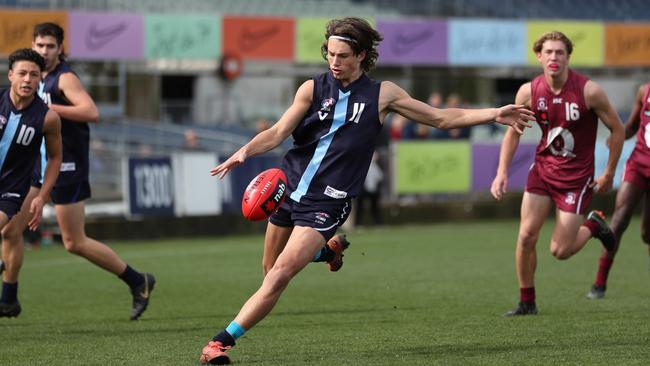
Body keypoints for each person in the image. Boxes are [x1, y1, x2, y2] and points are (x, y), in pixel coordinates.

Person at [200, 17, 534, 364]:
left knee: (282, 273)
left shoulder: (382, 94)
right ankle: (326, 253)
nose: (334, 61)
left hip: (328, 201)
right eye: (330, 54)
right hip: (290, 185)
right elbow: (278, 131)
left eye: (342, 55)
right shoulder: (311, 89)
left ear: (361, 55)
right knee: (269, 269)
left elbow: (441, 119)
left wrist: (494, 112)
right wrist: (245, 151)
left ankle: (219, 343)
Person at [0, 22, 155, 320]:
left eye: (50, 46)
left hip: (66, 164)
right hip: (35, 165)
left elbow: (91, 111)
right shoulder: (33, 77)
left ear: (61, 49)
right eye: (40, 45)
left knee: (73, 242)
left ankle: (138, 280)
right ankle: (9, 298)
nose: (44, 51)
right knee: (10, 230)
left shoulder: (64, 78)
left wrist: (50, 112)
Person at [490, 31, 625, 316]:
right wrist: (501, 172)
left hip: (576, 179)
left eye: (560, 52)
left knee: (560, 251)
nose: (554, 57)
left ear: (568, 58)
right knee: (526, 236)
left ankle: (594, 225)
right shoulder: (528, 92)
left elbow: (618, 129)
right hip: (542, 171)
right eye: (548, 52)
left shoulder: (589, 92)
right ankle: (527, 301)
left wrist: (610, 172)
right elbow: (513, 133)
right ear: (539, 56)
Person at [0, 48, 62, 317]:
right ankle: (10, 297)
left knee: (8, 233)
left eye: (34, 75)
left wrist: (41, 196)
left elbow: (56, 158)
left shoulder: (47, 117)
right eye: (22, 73)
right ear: (10, 75)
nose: (27, 80)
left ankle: (8, 291)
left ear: (40, 79)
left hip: (12, 191)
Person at [585, 82, 650, 299]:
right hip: (638, 164)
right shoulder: (644, 90)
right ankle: (599, 284)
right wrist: (616, 136)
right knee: (619, 219)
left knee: (647, 234)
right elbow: (631, 126)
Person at [354, 151, 384, 226]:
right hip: (363, 190)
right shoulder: (363, 164)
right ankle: (358, 223)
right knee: (360, 207)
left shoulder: (377, 166)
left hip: (374, 190)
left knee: (375, 207)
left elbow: (380, 177)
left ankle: (378, 223)